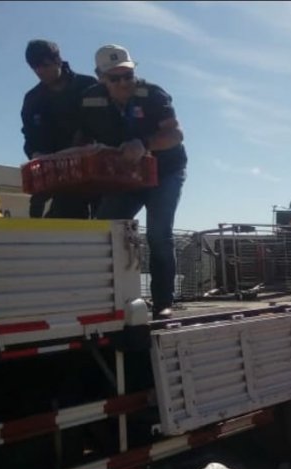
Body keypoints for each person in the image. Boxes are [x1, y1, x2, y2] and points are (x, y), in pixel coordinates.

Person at [78, 44, 187, 319]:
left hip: (165, 172)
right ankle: (105, 298)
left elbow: (175, 135)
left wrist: (145, 143)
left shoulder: (152, 94)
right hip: (127, 177)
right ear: (100, 77)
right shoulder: (90, 99)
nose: (124, 83)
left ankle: (163, 301)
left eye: (128, 75)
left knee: (158, 234)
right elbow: (81, 137)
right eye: (115, 78)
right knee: (104, 229)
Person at [20, 39, 99, 219]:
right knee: (61, 221)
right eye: (34, 67)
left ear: (57, 60)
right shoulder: (33, 99)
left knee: (103, 223)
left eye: (44, 65)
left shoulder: (89, 86)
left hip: (94, 170)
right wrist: (34, 153)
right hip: (59, 174)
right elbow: (29, 136)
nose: (40, 71)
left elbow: (105, 122)